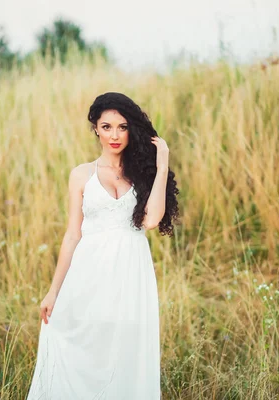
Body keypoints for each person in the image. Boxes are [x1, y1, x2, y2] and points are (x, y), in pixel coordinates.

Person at [26, 92, 180, 399]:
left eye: (122, 127)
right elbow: (72, 234)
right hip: (89, 272)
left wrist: (161, 167)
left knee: (125, 347)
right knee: (84, 342)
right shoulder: (81, 175)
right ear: (95, 128)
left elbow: (150, 221)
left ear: (131, 130)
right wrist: (53, 290)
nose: (114, 135)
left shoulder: (141, 173)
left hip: (130, 273)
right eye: (106, 126)